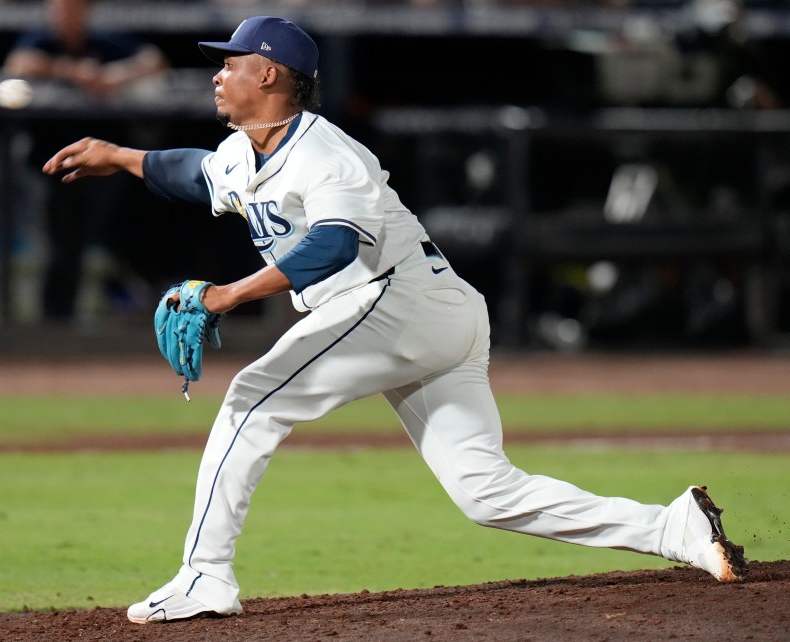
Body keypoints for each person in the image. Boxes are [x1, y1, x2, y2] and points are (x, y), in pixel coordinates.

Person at [42, 16, 748, 624]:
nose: (218, 74)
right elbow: (194, 172)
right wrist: (120, 156)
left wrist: (229, 294)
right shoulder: (242, 150)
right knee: (486, 493)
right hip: (431, 316)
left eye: (230, 63)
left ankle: (205, 577)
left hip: (394, 302)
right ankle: (672, 528)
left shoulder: (325, 153)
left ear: (270, 73)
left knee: (252, 400)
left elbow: (333, 244)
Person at [5, 0, 169, 320]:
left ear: (86, 12)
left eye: (72, 9)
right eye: (59, 9)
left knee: (114, 240)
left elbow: (155, 61)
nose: (64, 16)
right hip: (52, 165)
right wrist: (74, 72)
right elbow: (18, 64)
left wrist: (112, 77)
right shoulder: (41, 41)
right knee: (61, 246)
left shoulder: (103, 41)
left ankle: (120, 315)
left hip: (103, 166)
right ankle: (55, 321)